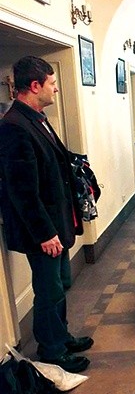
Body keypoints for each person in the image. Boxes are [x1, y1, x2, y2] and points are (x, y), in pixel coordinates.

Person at [0, 56, 93, 373]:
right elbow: (22, 191)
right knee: (48, 290)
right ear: (35, 86)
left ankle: (61, 336)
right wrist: (44, 234)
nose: (55, 90)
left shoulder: (37, 117)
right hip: (42, 231)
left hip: (58, 222)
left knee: (59, 284)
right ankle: (52, 350)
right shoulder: (13, 126)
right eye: (52, 84)